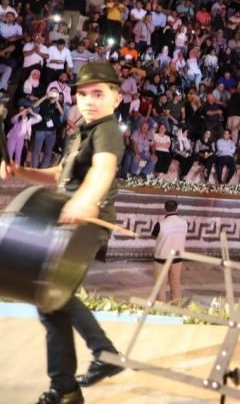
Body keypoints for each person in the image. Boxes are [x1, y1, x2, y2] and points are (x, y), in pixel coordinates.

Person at [2, 61, 126, 404]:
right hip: (67, 216)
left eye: (98, 94)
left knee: (52, 294)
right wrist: (20, 171)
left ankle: (92, 364)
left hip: (87, 223)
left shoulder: (107, 131)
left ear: (116, 98)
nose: (89, 101)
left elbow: (103, 170)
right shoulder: (81, 132)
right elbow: (60, 174)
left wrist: (85, 200)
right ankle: (70, 385)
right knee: (49, 300)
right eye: (83, 95)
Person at [150, 199, 188, 302]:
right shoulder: (184, 223)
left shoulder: (160, 224)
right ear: (177, 208)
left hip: (162, 259)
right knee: (175, 284)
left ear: (165, 209)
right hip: (177, 258)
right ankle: (175, 306)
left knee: (160, 285)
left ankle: (160, 308)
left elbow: (154, 236)